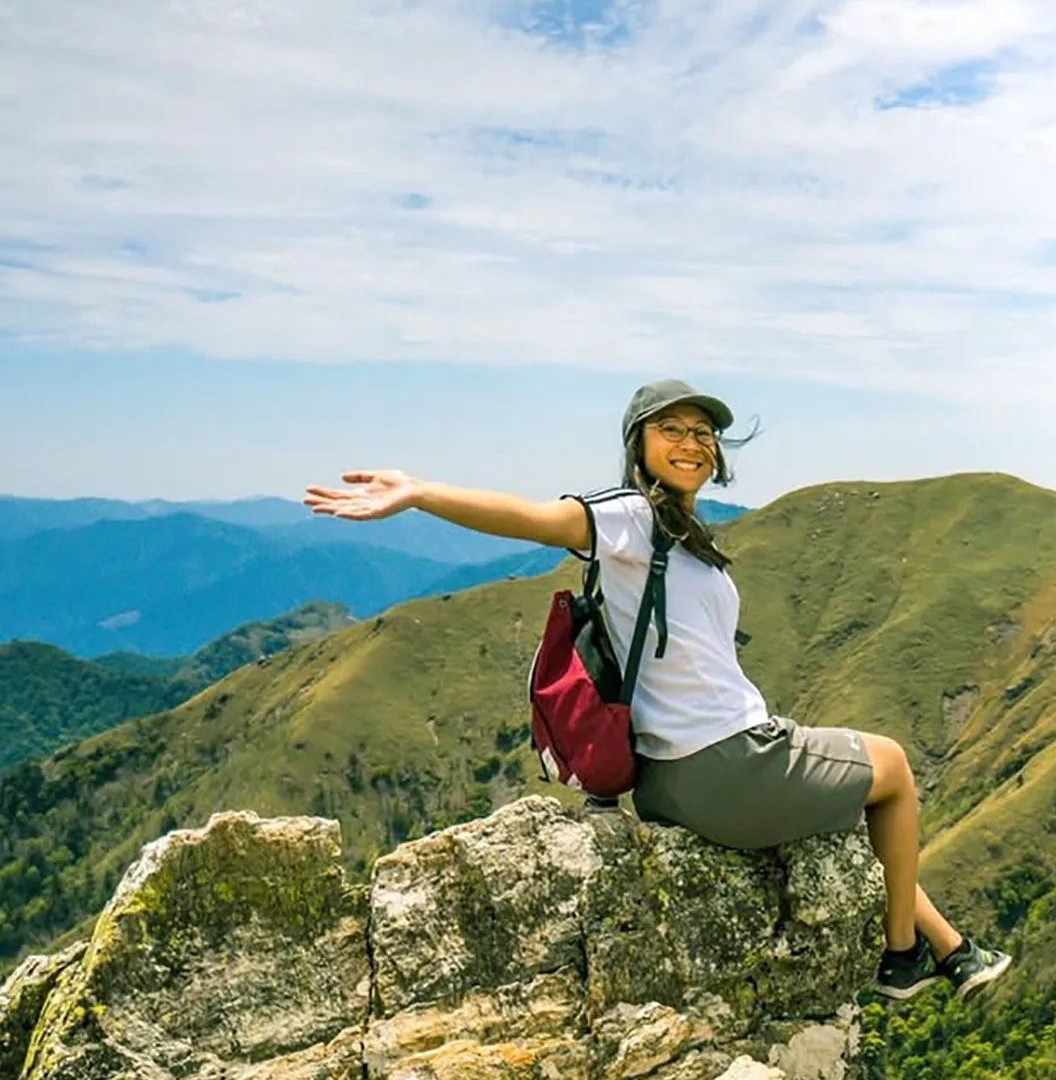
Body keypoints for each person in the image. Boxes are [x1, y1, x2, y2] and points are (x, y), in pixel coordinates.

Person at [303, 378, 1010, 1002]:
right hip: (723, 766)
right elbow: (534, 517)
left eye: (702, 432)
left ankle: (952, 951)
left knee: (854, 818)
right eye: (669, 429)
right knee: (891, 769)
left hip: (670, 781)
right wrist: (421, 493)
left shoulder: (683, 534)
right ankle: (900, 957)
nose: (690, 442)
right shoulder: (631, 518)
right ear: (636, 444)